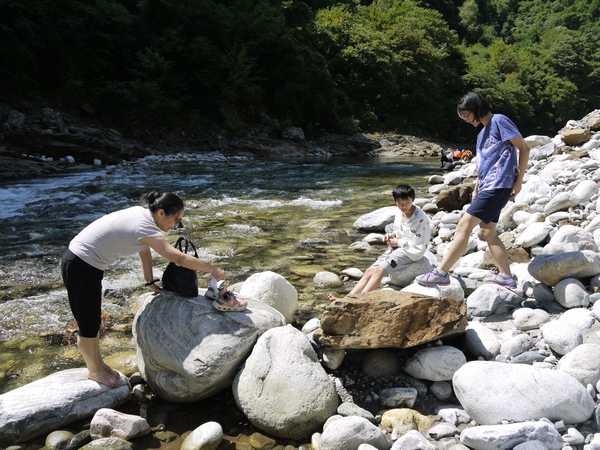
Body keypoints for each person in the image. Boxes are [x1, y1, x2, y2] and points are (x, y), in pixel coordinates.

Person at [60, 191, 246, 388]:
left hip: (86, 264)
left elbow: (144, 250)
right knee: (88, 322)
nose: (176, 225)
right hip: (80, 263)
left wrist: (149, 281)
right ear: (161, 213)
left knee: (93, 319)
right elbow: (179, 258)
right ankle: (94, 370)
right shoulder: (144, 225)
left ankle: (98, 364)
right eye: (176, 219)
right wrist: (213, 270)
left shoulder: (143, 217)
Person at [417, 92, 531, 289]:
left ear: (477, 109)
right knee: (488, 231)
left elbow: (525, 148)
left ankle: (441, 273)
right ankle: (506, 276)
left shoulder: (499, 121)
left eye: (466, 115)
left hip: (499, 185)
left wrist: (518, 181)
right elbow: (486, 163)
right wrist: (478, 185)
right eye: (463, 116)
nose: (466, 120)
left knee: (463, 226)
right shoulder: (481, 134)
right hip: (488, 186)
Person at [328, 184, 431, 301]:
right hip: (397, 248)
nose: (403, 206)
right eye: (400, 203)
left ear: (413, 199)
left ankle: (360, 301)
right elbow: (400, 231)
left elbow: (419, 247)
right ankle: (347, 299)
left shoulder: (421, 219)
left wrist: (398, 242)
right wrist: (392, 235)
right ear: (395, 201)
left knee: (379, 271)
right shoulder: (399, 212)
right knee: (369, 271)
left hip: (409, 252)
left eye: (407, 203)